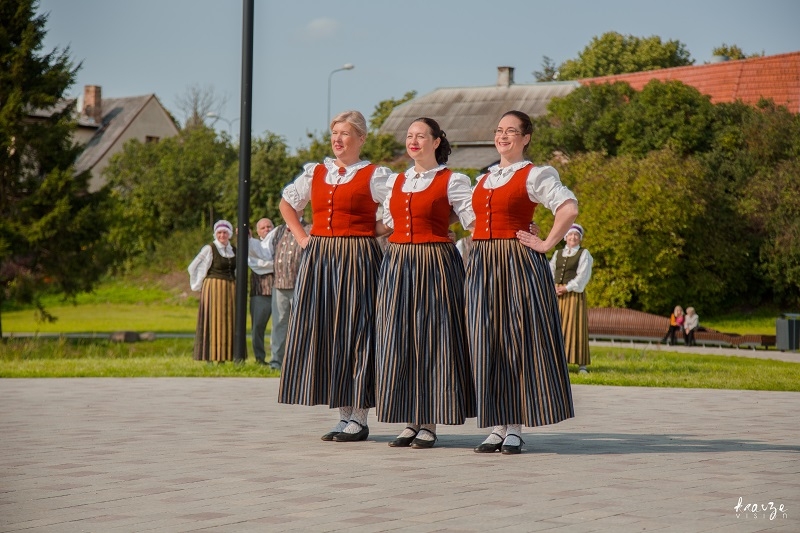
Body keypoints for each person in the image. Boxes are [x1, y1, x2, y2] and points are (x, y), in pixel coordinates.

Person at [467, 110, 578, 455]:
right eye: (499, 130)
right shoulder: (484, 178)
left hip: (516, 263)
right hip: (483, 263)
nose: (503, 136)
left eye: (512, 131)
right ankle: (497, 425)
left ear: (526, 137)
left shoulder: (534, 175)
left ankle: (514, 426)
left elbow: (569, 208)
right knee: (487, 341)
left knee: (515, 339)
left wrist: (545, 244)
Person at [277, 110, 391, 443]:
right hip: (321, 257)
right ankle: (344, 416)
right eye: (334, 134)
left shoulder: (374, 175)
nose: (337, 140)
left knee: (356, 331)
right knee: (330, 331)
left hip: (357, 257)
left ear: (361, 138)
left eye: (344, 133)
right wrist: (302, 237)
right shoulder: (317, 172)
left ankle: (359, 417)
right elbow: (288, 204)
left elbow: (400, 209)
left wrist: (372, 231)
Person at [375, 117, 476, 449]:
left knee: (433, 338)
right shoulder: (395, 181)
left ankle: (430, 422)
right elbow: (388, 222)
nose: (413, 141)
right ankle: (410, 420)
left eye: (421, 136)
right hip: (398, 261)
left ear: (436, 141)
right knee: (400, 337)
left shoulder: (453, 179)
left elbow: (475, 219)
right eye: (409, 136)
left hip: (435, 262)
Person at [264, 210, 311, 371]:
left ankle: (300, 362)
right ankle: (276, 361)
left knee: (302, 325)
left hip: (302, 285)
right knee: (279, 324)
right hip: (280, 285)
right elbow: (265, 251)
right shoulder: (278, 231)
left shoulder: (310, 228)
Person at [188, 220, 236, 363]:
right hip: (213, 287)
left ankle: (224, 357)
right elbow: (194, 267)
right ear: (215, 234)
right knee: (212, 319)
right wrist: (198, 284)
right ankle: (209, 356)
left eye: (225, 232)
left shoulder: (233, 249)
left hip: (229, 289)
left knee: (227, 321)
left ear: (230, 234)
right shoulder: (209, 248)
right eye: (219, 232)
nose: (222, 235)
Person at [550, 223, 594, 374]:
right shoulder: (558, 253)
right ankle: (556, 362)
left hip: (573, 295)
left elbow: (583, 275)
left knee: (574, 326)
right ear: (565, 237)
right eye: (570, 234)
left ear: (580, 238)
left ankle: (581, 364)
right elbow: (551, 270)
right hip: (556, 294)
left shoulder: (584, 254)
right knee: (556, 326)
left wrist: (567, 287)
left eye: (576, 235)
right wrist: (552, 286)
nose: (573, 237)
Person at [248, 218, 274, 365]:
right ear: (258, 231)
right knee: (258, 327)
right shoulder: (252, 246)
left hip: (278, 291)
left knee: (280, 329)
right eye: (263, 228)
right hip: (259, 293)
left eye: (269, 226)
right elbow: (253, 263)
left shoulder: (278, 243)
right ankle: (260, 358)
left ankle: (278, 359)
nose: (266, 229)